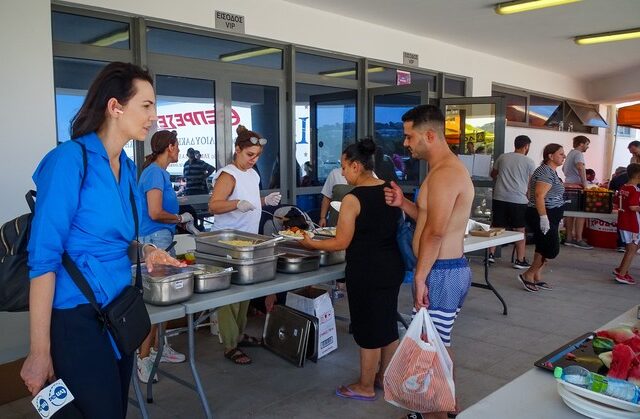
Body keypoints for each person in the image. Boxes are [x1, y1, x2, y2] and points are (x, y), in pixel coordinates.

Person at [21, 62, 184, 418]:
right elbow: (43, 259)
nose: (153, 117)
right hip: (77, 317)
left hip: (118, 313)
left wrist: (147, 249)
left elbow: (114, 239)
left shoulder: (126, 167)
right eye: (146, 105)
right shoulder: (69, 161)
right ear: (115, 106)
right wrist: (38, 351)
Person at [385, 105, 474, 419]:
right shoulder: (442, 171)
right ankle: (445, 405)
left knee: (431, 351)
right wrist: (404, 204)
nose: (406, 144)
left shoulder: (446, 173)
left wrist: (421, 277)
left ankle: (437, 410)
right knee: (436, 344)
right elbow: (429, 219)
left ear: (430, 135)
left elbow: (435, 233)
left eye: (410, 137)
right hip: (444, 269)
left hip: (440, 271)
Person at [300, 138, 403, 402]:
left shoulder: (353, 198)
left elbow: (341, 242)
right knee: (387, 325)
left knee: (368, 329)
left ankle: (365, 385)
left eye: (344, 166)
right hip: (391, 265)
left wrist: (312, 243)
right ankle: (384, 377)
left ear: (357, 166)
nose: (342, 172)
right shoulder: (391, 189)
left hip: (366, 269)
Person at [208, 125, 281, 365]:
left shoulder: (253, 174)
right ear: (237, 150)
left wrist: (263, 201)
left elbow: (249, 201)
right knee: (230, 297)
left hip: (248, 241)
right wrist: (236, 203)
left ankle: (238, 335)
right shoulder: (228, 174)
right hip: (227, 243)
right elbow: (214, 205)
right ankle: (230, 344)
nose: (253, 160)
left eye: (257, 156)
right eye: (249, 154)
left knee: (244, 293)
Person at [136, 130, 191, 383]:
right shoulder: (154, 173)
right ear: (170, 147)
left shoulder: (161, 173)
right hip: (154, 243)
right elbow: (155, 212)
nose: (179, 150)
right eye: (177, 146)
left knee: (168, 298)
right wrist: (180, 218)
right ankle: (143, 358)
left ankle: (160, 348)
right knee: (154, 304)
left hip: (163, 239)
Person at [517, 144, 566, 292]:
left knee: (542, 246)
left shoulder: (551, 171)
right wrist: (543, 217)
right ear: (550, 156)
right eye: (561, 154)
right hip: (544, 214)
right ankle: (528, 274)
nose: (564, 157)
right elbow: (538, 195)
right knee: (551, 248)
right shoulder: (545, 172)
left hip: (551, 213)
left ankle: (536, 276)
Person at [487, 135, 536, 269]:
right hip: (518, 199)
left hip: (500, 197)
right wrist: (531, 199)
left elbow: (493, 174)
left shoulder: (503, 157)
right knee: (519, 229)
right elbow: (532, 183)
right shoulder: (529, 162)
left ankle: (490, 256)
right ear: (526, 146)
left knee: (496, 227)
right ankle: (520, 260)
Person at [562, 135, 593, 249]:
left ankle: (569, 238)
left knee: (570, 213)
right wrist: (585, 184)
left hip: (568, 185)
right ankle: (578, 239)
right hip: (577, 186)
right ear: (581, 144)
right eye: (587, 144)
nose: (587, 147)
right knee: (581, 213)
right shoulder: (578, 154)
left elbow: (563, 169)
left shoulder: (570, 154)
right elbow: (580, 167)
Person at [613, 163, 640, 285]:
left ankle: (621, 268)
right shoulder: (635, 189)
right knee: (632, 248)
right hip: (632, 223)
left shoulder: (623, 187)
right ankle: (622, 274)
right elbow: (633, 207)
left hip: (623, 221)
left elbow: (616, 202)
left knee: (632, 247)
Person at [318, 154, 350, 228]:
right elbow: (327, 197)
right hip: (335, 221)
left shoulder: (368, 177)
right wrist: (323, 217)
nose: (343, 173)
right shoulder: (335, 174)